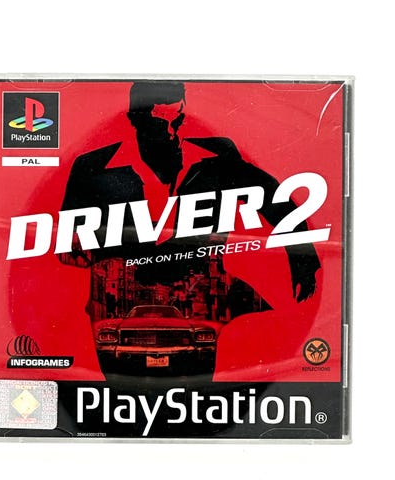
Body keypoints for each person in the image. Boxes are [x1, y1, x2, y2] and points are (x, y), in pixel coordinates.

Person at [60, 81, 321, 379]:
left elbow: (274, 197)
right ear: (135, 119)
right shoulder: (91, 168)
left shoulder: (218, 157)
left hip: (200, 310)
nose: (172, 132)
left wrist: (303, 260)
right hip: (120, 310)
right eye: (161, 123)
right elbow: (67, 246)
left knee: (205, 385)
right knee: (117, 386)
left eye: (179, 119)